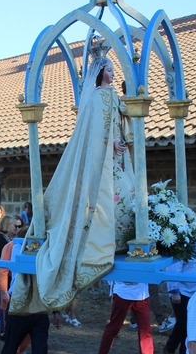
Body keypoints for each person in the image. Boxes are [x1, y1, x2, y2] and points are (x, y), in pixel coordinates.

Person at [11, 46, 136, 316]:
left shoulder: (112, 97)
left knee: (127, 193)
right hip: (103, 159)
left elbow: (121, 120)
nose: (112, 74)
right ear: (100, 73)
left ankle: (123, 239)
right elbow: (94, 134)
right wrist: (110, 143)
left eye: (114, 70)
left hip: (117, 160)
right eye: (109, 70)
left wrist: (125, 126)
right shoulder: (96, 99)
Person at [94, 280, 169, 354]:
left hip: (141, 295)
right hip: (122, 293)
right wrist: (112, 289)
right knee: (113, 328)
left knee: (145, 331)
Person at [163, 259, 196, 354]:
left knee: (190, 323)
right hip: (182, 291)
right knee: (183, 322)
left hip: (192, 290)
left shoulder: (195, 249)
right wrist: (175, 291)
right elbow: (173, 270)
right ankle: (170, 348)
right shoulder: (180, 251)